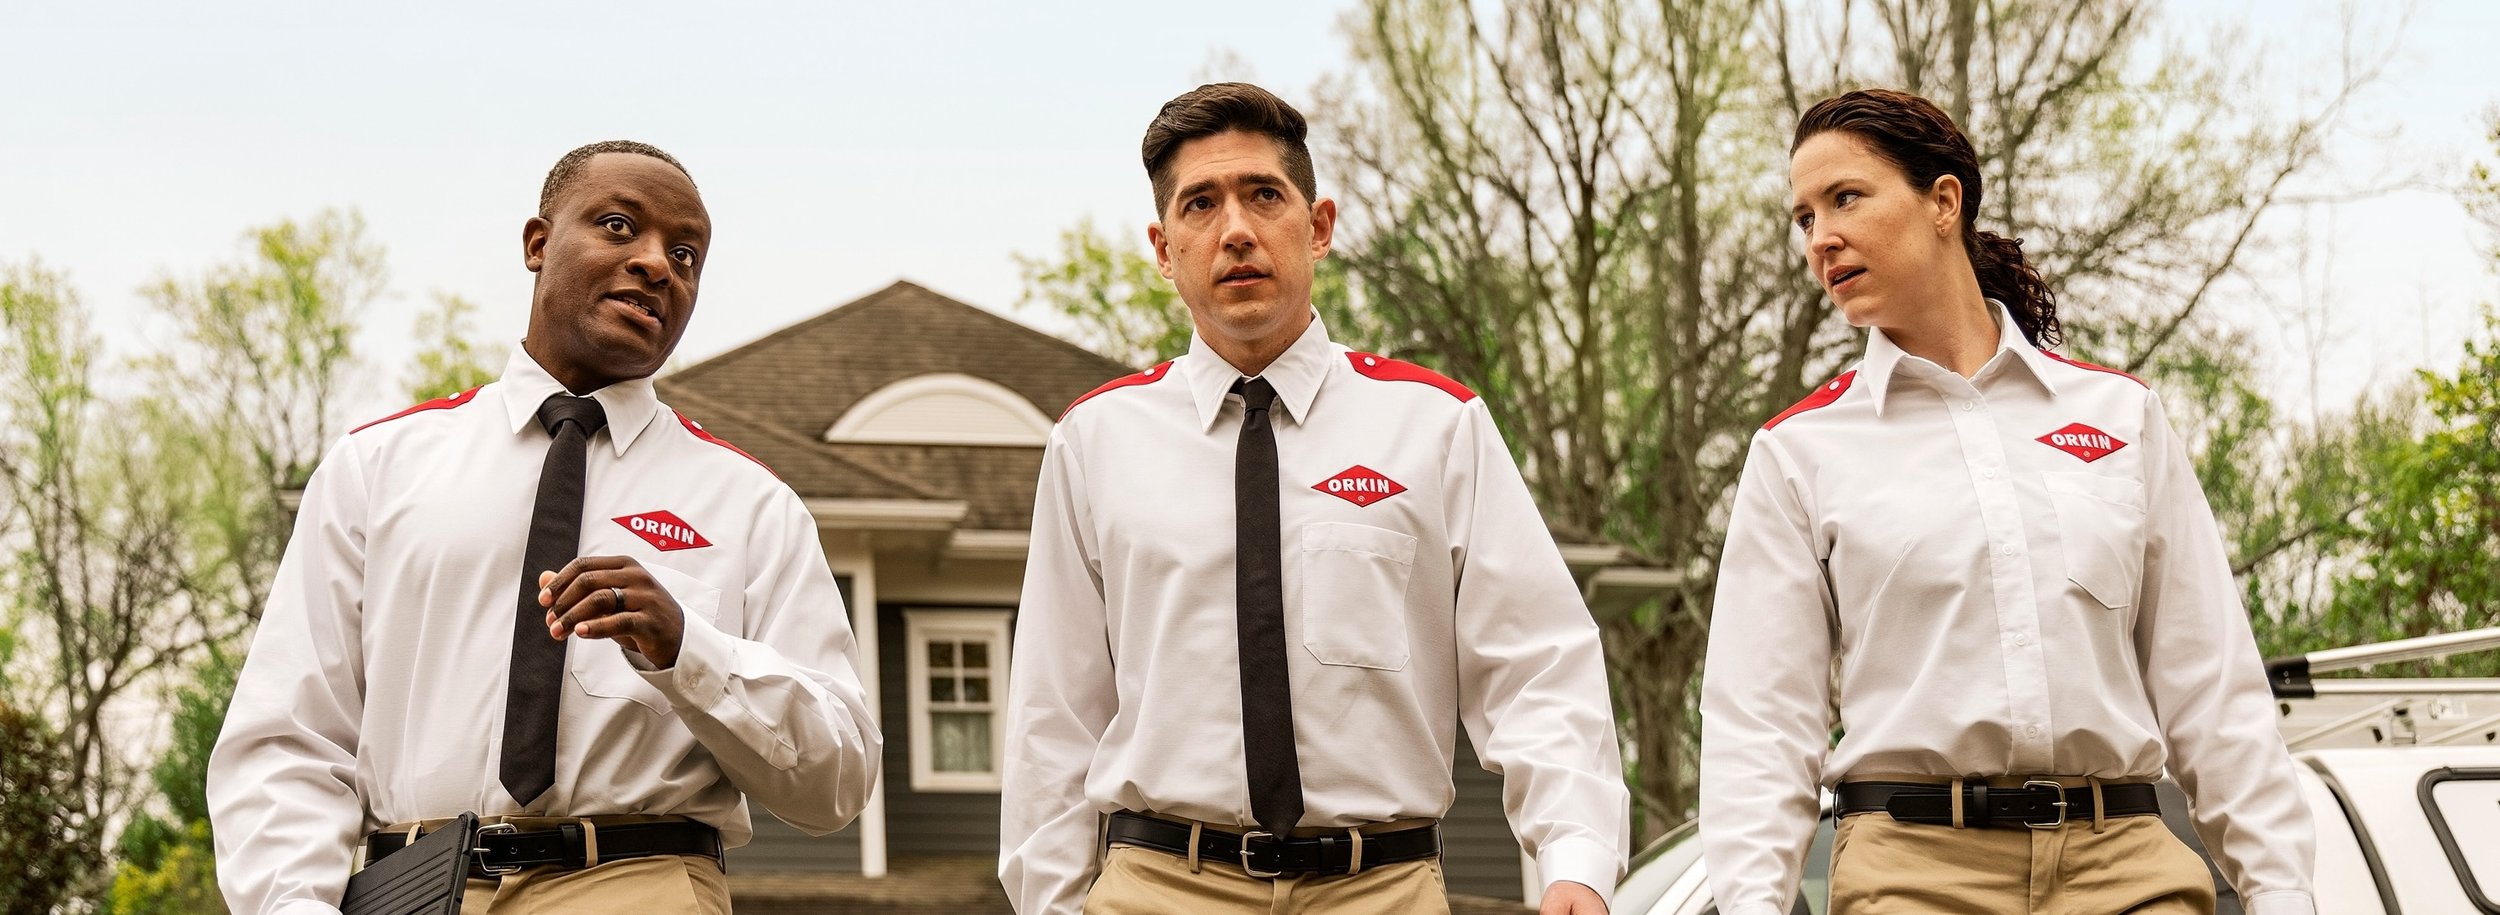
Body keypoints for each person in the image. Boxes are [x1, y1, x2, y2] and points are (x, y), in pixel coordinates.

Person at [998, 82, 1629, 915]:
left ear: (1318, 225)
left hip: (1383, 889)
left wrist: (1576, 855)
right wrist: (1052, 902)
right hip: (1156, 889)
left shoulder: (1437, 426)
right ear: (1163, 246)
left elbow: (1537, 664)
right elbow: (1055, 713)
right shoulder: (1094, 442)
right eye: (1200, 205)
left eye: (1263, 195)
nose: (1235, 230)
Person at [208, 140, 881, 915]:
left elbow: (841, 779)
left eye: (686, 253)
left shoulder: (753, 504)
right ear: (537, 243)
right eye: (621, 226)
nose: (659, 264)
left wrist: (688, 648)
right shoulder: (378, 468)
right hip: (411, 887)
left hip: (641, 884)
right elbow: (289, 738)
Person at [1697, 88, 2317, 914]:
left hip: (2127, 865)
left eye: (1845, 198)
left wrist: (2283, 889)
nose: (1822, 239)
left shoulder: (2119, 417)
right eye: (1805, 217)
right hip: (1912, 873)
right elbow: (1758, 726)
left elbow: (2210, 681)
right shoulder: (1797, 451)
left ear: (1943, 200)